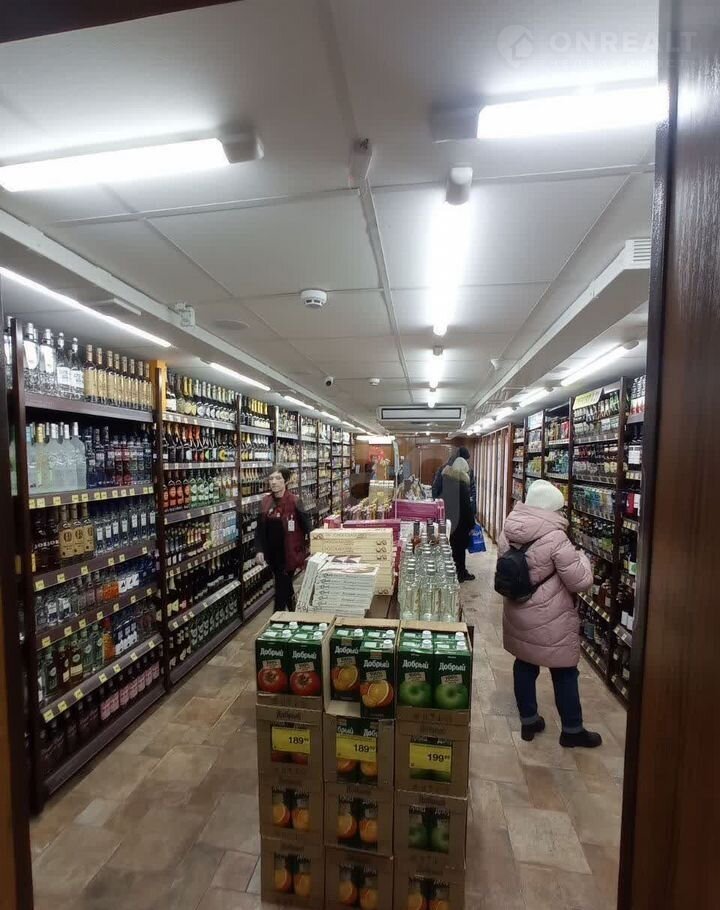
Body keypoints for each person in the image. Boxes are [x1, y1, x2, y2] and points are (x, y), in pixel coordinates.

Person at [498, 479, 602, 748]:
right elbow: (580, 581)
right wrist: (583, 559)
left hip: (518, 610)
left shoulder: (508, 530)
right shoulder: (556, 538)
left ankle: (529, 720)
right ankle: (572, 729)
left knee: (524, 665)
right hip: (551, 616)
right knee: (564, 671)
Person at [255, 465, 311, 611]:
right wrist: (259, 550)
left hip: (290, 554)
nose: (274, 482)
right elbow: (259, 529)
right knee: (285, 587)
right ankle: (294, 613)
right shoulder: (265, 502)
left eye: (278, 478)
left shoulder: (295, 501)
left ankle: (277, 617)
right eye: (271, 478)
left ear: (286, 481)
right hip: (272, 555)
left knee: (280, 589)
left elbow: (308, 526)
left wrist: (312, 547)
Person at [439, 456, 476, 582]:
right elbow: (467, 508)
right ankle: (461, 574)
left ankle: (454, 571)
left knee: (453, 548)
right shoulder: (462, 486)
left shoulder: (447, 481)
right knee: (460, 550)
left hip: (449, 520)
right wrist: (472, 524)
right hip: (461, 523)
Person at [432, 446, 477, 510]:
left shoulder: (443, 470)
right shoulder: (444, 470)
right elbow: (436, 488)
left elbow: (435, 488)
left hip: (449, 507)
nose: (467, 463)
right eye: (466, 460)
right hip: (449, 506)